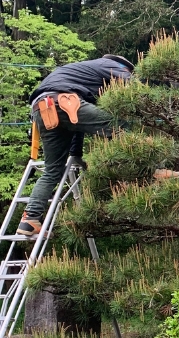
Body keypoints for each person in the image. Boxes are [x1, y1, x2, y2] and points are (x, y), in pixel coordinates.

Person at [17, 54, 135, 236]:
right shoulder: (114, 65)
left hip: (42, 108)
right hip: (63, 100)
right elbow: (137, 89)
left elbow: (77, 124)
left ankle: (30, 219)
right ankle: (153, 169)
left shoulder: (81, 75)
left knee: (52, 170)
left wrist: (76, 155)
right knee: (121, 126)